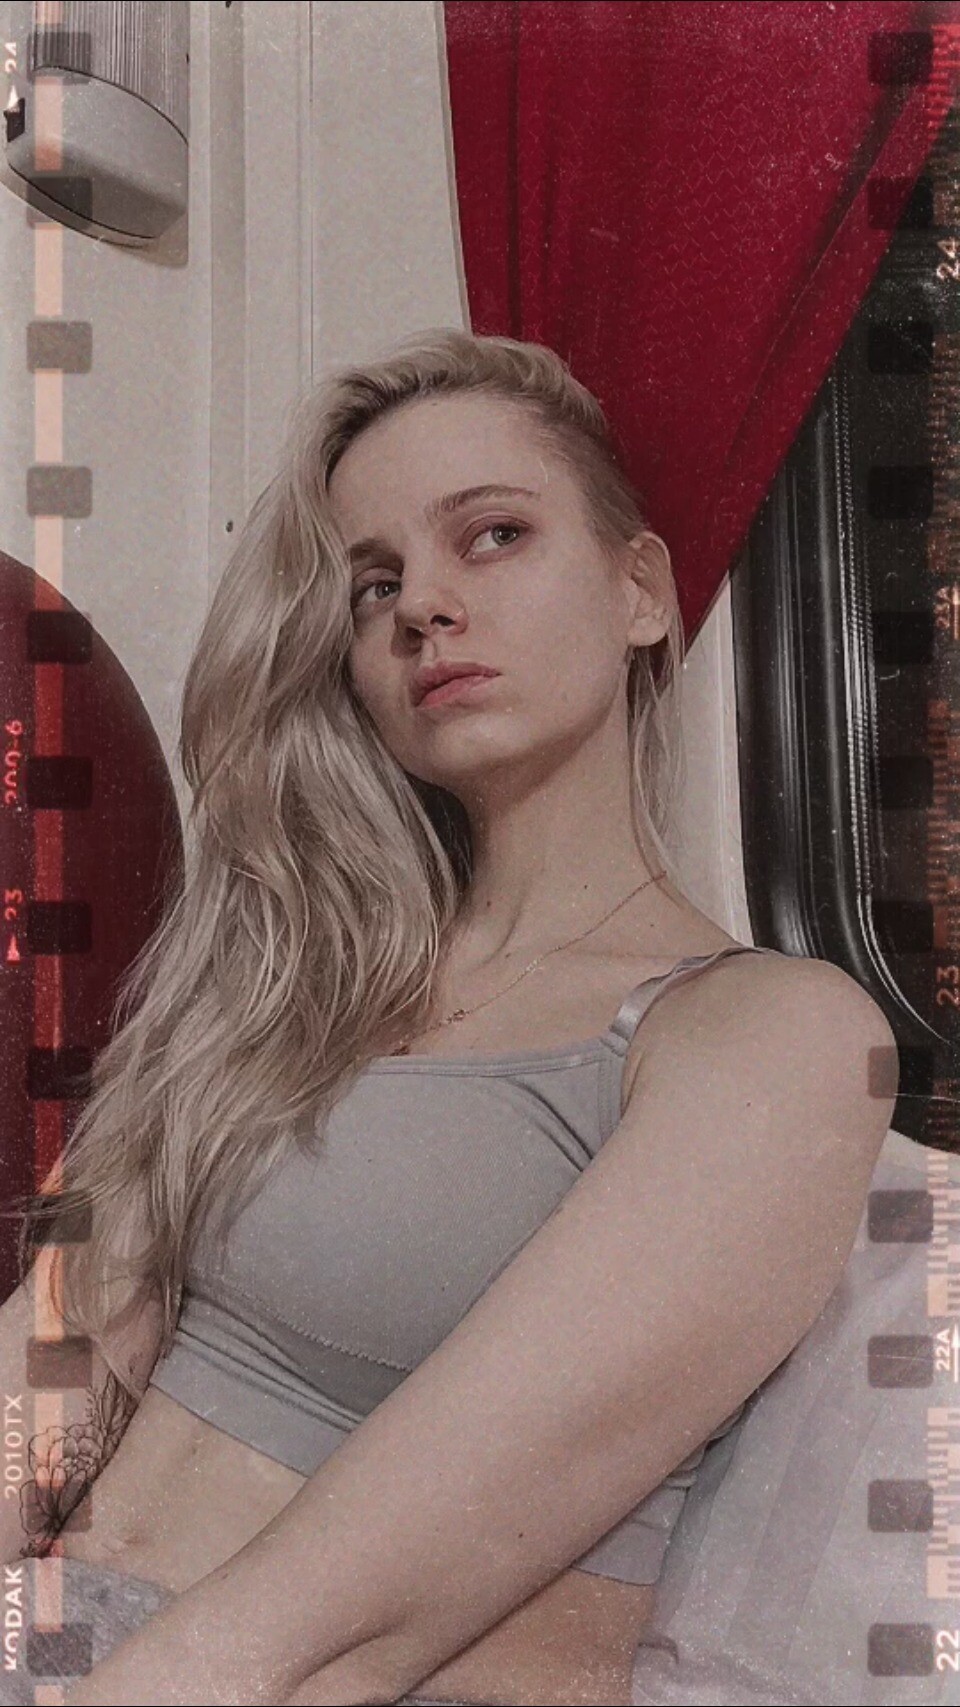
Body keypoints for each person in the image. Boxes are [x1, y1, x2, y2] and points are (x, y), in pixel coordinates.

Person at [0, 329, 894, 1707]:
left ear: (639, 589)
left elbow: (349, 1619)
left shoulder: (775, 1032)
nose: (422, 604)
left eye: (493, 536)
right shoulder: (293, 984)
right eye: (374, 585)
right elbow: (58, 1365)